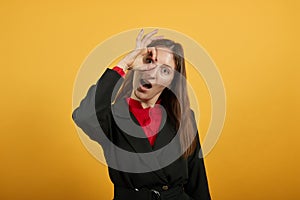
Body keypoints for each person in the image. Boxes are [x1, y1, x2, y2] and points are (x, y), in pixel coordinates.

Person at [72, 29, 211, 200]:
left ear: (172, 82)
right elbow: (84, 116)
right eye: (149, 61)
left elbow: (198, 181)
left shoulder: (184, 117)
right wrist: (125, 64)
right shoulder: (113, 117)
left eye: (165, 71)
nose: (152, 73)